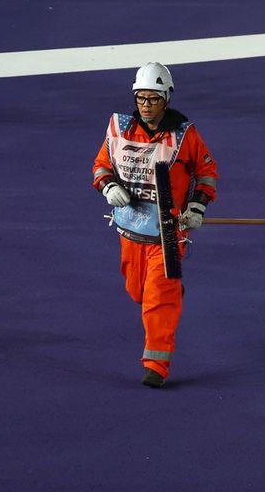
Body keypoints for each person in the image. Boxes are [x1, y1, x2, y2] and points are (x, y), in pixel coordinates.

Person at [92, 62, 219, 388]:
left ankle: (156, 365)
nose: (146, 105)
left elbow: (206, 173)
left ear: (167, 98)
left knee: (157, 299)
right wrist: (107, 186)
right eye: (141, 99)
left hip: (167, 236)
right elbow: (101, 165)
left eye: (153, 99)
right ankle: (170, 291)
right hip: (131, 231)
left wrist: (197, 206)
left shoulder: (185, 135)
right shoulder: (118, 128)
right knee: (137, 291)